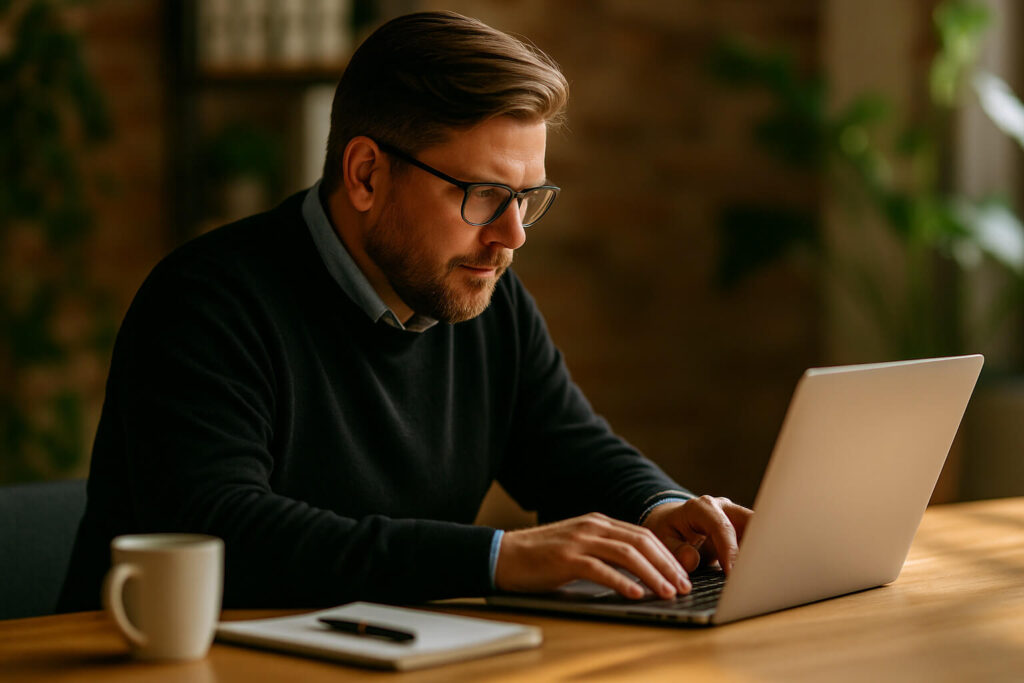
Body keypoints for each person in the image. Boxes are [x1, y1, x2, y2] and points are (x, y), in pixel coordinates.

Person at [58, 11, 751, 612]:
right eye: (483, 193)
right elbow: (224, 532)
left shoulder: (487, 294)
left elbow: (572, 448)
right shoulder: (206, 301)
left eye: (528, 196)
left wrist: (665, 509)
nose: (513, 235)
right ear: (365, 174)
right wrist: (498, 558)